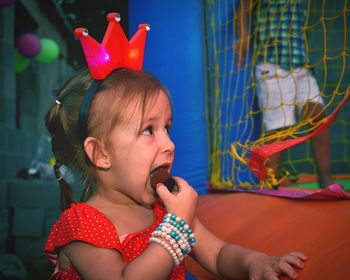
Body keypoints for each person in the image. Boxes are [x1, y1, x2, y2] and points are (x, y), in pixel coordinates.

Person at [44, 12, 307, 279]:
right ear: (101, 153)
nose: (169, 144)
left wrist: (255, 261)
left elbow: (217, 254)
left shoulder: (163, 208)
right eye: (149, 130)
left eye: (166, 128)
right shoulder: (82, 225)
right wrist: (175, 226)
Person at [234, 0, 336, 188]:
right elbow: (242, 9)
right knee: (279, 130)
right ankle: (270, 183)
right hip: (272, 64)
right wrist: (242, 36)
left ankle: (325, 178)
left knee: (318, 116)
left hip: (300, 64)